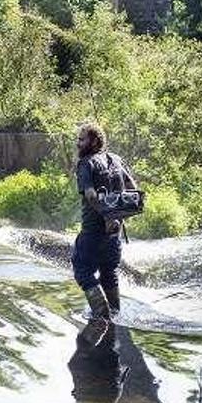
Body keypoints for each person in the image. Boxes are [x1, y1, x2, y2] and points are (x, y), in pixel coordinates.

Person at [73, 123, 137, 320]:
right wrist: (118, 217)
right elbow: (133, 191)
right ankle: (116, 315)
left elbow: (91, 195)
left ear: (94, 141)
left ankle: (102, 315)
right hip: (114, 234)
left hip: (92, 231)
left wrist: (108, 216)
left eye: (82, 139)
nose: (78, 143)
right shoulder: (116, 160)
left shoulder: (86, 163)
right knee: (109, 273)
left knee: (82, 271)